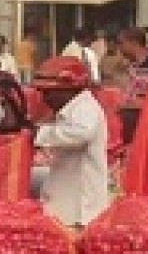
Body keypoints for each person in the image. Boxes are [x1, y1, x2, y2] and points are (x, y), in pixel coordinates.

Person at [29, 56, 109, 228]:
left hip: (80, 207)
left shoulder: (86, 107)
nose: (45, 98)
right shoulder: (71, 109)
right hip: (65, 200)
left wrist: (39, 134)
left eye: (49, 92)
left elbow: (81, 133)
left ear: (68, 90)